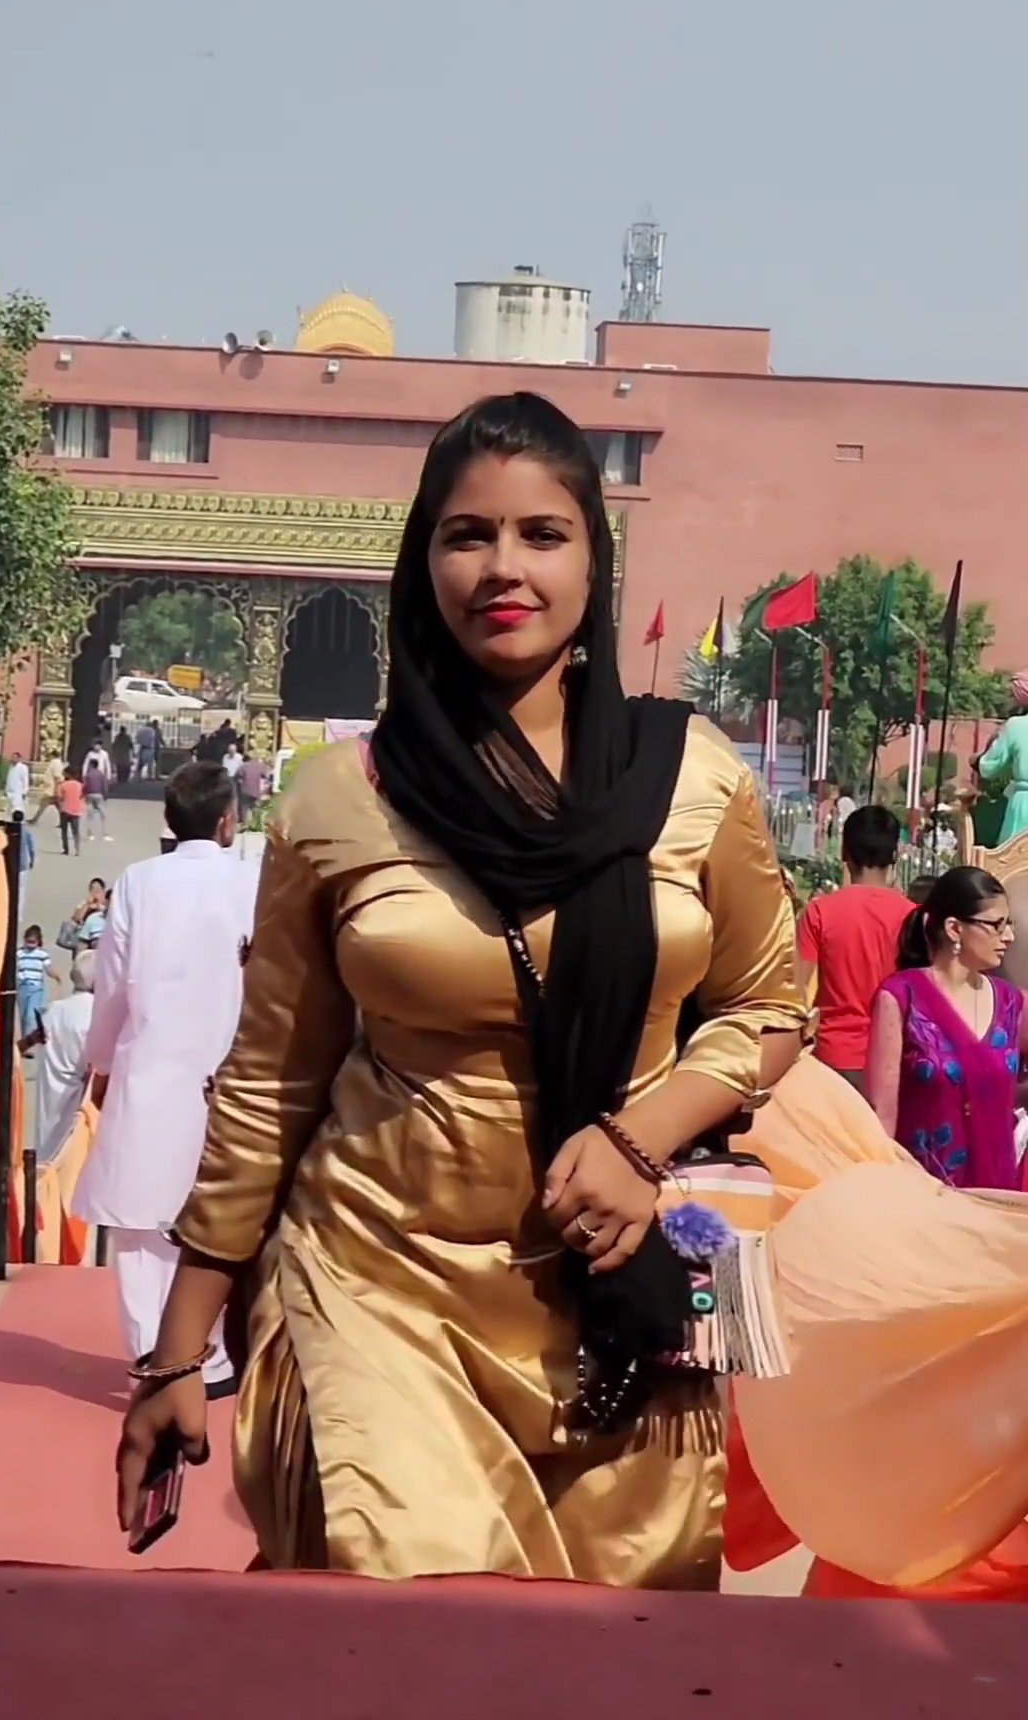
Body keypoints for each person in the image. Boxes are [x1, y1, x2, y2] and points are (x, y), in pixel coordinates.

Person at [115, 391, 808, 1579]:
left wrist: (640, 1138)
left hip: (621, 1290)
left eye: (544, 534)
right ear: (422, 562)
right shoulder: (342, 798)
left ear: (594, 561)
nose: (504, 568)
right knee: (413, 1635)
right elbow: (272, 1084)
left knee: (612, 1656)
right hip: (378, 1285)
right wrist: (178, 1351)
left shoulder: (690, 778)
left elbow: (770, 1005)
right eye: (467, 534)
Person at [73, 762, 260, 1403]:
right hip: (232, 1073)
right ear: (228, 819)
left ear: (169, 820)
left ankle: (155, 1355)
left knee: (138, 1223)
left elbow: (112, 986)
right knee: (216, 1217)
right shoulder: (253, 881)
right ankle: (208, 1360)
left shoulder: (138, 882)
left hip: (150, 1065)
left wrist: (100, 1064)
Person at [864, 865, 1024, 1189]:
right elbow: (883, 1113)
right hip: (922, 1191)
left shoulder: (1011, 1002)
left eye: (1009, 924)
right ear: (954, 928)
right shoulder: (902, 997)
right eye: (996, 925)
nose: (1008, 936)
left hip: (997, 1191)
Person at [796, 806, 914, 1088]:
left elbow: (795, 991)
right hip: (895, 1057)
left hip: (832, 1059)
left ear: (844, 852)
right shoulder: (914, 916)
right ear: (895, 854)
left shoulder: (819, 913)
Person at [35, 951, 97, 1166]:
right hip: (79, 1098)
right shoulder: (95, 1013)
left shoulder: (53, 1010)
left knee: (47, 1154)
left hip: (49, 1094)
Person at [972, 676, 1028, 846]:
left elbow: (989, 767)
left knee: (1014, 858)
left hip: (1023, 807)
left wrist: (977, 760)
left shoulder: (1015, 726)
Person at [17, 925, 61, 1044]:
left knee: (31, 1016)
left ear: (38, 941)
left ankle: (30, 1042)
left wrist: (56, 976)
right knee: (23, 1016)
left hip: (36, 988)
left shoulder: (42, 954)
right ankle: (26, 1039)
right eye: (28, 942)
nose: (30, 945)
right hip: (22, 987)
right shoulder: (19, 953)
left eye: (33, 942)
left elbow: (48, 968)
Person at [83, 751, 110, 842]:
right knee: (103, 815)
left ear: (91, 765)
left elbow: (85, 786)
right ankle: (105, 834)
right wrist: (105, 795)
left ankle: (90, 834)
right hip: (98, 795)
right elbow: (104, 785)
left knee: (90, 815)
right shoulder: (100, 774)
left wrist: (83, 795)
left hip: (90, 795)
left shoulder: (88, 775)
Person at [56, 767, 84, 856]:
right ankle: (77, 850)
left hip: (65, 810)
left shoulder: (62, 785)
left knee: (64, 831)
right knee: (76, 831)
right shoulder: (80, 785)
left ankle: (66, 849)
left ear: (68, 774)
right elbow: (82, 797)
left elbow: (59, 798)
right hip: (76, 810)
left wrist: (60, 807)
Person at [5, 752, 30, 817]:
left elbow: (25, 780)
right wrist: (6, 789)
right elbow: (9, 779)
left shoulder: (23, 767)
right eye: (12, 757)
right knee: (10, 811)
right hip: (10, 791)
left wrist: (25, 792)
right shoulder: (11, 767)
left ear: (19, 758)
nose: (13, 759)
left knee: (17, 809)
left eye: (15, 758)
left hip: (18, 792)